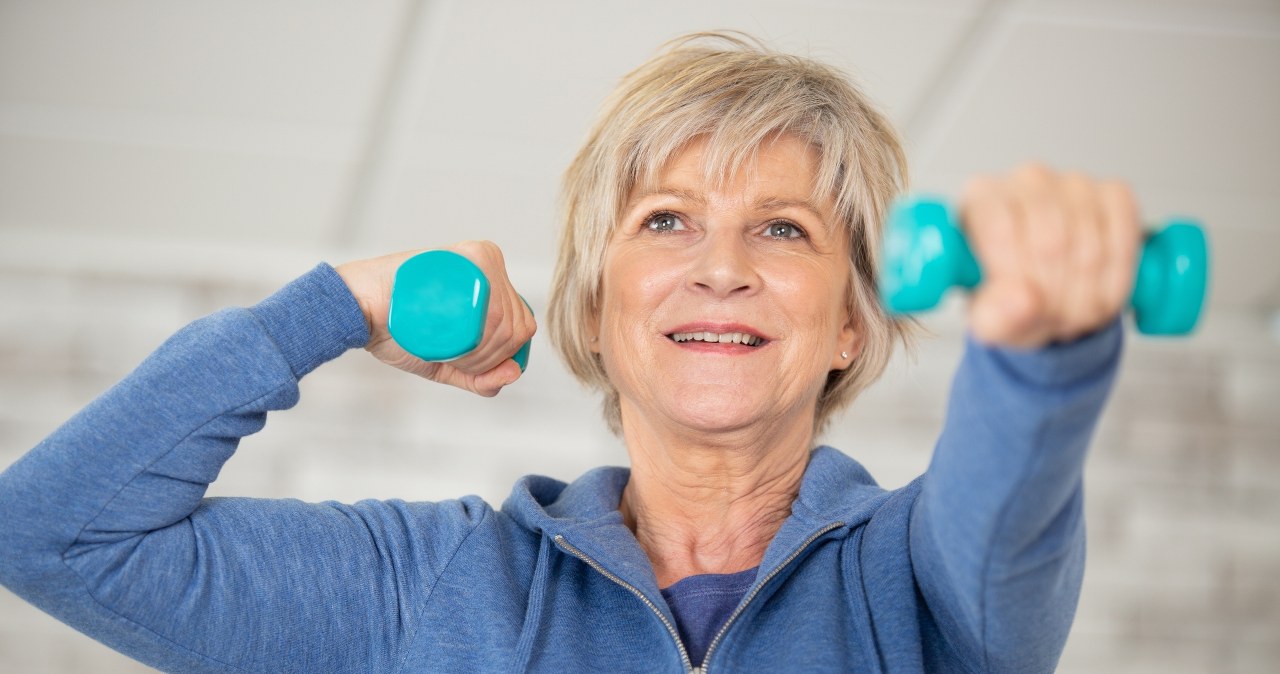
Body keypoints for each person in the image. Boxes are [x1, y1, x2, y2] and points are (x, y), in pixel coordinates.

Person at [0, 32, 1137, 673]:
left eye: (783, 228)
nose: (722, 264)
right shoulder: (431, 585)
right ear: (595, 310)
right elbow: (49, 529)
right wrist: (334, 305)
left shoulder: (920, 581)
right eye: (665, 220)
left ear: (850, 321)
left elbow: (1012, 485)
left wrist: (1044, 344)